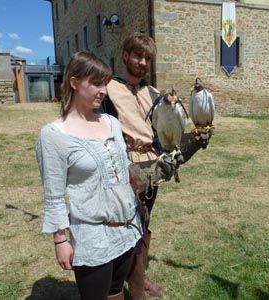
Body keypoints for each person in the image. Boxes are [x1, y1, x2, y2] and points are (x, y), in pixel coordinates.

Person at [36, 51, 143, 300]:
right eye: (96, 83)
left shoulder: (111, 122)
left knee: (117, 292)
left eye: (105, 83)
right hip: (92, 235)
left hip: (127, 227)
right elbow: (53, 195)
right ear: (74, 82)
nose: (103, 90)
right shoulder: (54, 135)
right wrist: (60, 240)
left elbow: (124, 167)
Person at [99, 32, 166, 300]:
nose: (142, 62)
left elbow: (161, 130)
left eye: (147, 58)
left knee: (145, 219)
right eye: (138, 55)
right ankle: (123, 281)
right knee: (126, 224)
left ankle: (141, 275)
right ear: (125, 55)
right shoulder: (108, 88)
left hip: (153, 163)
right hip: (124, 164)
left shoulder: (154, 93)